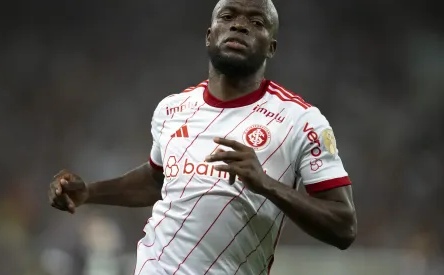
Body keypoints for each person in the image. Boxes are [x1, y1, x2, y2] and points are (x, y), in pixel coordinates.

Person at [48, 0, 357, 274]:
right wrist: (89, 192)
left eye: (257, 22)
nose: (239, 25)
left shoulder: (300, 121)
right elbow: (156, 180)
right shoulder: (172, 108)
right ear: (210, 35)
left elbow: (344, 226)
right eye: (227, 16)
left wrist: (267, 185)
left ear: (271, 46)